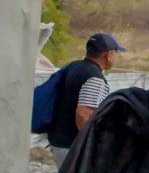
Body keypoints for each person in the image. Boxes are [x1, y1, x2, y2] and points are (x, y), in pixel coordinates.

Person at [46, 32, 125, 163]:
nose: (117, 57)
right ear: (109, 54)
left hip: (58, 140)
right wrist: (92, 144)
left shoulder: (73, 67)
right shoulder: (95, 78)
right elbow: (83, 115)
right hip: (72, 146)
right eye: (116, 53)